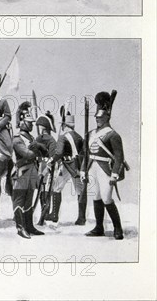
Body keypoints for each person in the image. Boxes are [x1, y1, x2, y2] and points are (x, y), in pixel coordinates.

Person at [84, 91, 126, 240]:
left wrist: (115, 174)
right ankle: (99, 227)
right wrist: (83, 170)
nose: (98, 120)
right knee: (96, 196)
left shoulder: (113, 135)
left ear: (107, 116)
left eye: (101, 117)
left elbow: (119, 157)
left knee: (107, 197)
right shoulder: (90, 133)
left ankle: (117, 228)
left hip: (105, 168)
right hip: (92, 167)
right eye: (97, 117)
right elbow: (86, 154)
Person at [11, 101, 49, 239]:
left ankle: (29, 226)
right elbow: (28, 154)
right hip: (22, 172)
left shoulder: (31, 138)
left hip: (32, 172)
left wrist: (39, 147)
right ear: (22, 122)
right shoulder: (17, 139)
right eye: (29, 122)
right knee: (19, 200)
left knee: (29, 199)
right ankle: (20, 227)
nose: (32, 125)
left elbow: (38, 153)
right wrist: (37, 147)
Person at [46, 106, 87, 225]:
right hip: (78, 166)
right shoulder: (79, 137)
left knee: (56, 188)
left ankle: (54, 215)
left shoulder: (62, 137)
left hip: (67, 166)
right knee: (79, 191)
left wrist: (51, 160)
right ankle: (81, 218)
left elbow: (59, 153)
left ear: (64, 125)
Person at [34, 112, 57, 226]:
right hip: (45, 167)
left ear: (42, 127)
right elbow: (53, 157)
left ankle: (43, 217)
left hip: (42, 167)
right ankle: (43, 216)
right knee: (45, 192)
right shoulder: (51, 140)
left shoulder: (40, 139)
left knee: (43, 193)